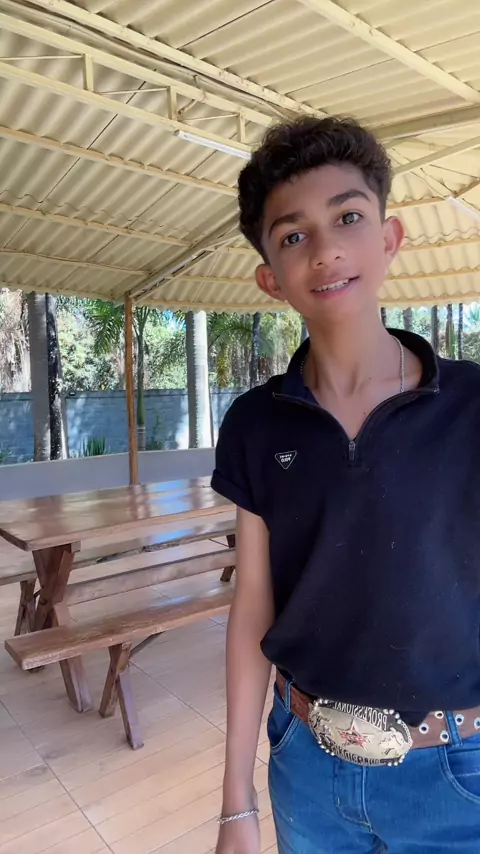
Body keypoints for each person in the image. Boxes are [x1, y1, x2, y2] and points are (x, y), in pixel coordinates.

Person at [211, 116, 480, 853]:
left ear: (389, 239)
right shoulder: (256, 423)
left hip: (458, 775)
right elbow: (252, 605)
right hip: (307, 769)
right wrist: (236, 803)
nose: (325, 249)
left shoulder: (471, 405)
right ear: (271, 276)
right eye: (293, 234)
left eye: (348, 218)